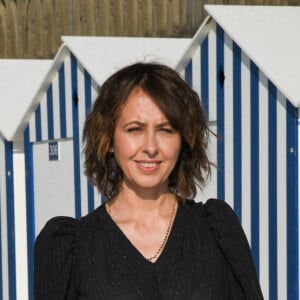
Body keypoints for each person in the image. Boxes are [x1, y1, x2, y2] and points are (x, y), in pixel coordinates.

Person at [34, 62, 263, 299]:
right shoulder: (70, 247)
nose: (151, 147)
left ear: (183, 139)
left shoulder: (217, 230)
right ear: (109, 140)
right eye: (135, 129)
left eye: (165, 130)